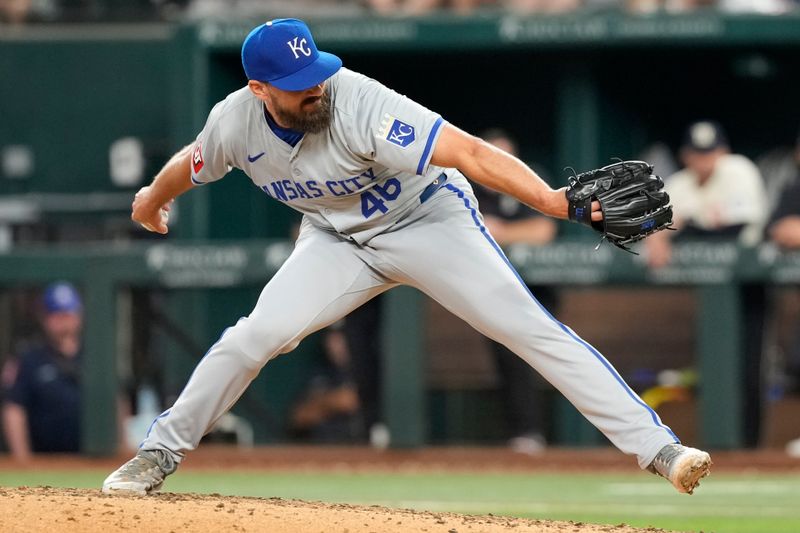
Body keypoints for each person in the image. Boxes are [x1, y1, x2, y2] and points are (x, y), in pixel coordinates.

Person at [102, 18, 711, 496]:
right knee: (254, 337)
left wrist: (552, 203)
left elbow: (469, 152)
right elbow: (195, 161)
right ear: (259, 89)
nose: (314, 85)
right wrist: (151, 199)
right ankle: (158, 452)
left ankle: (659, 449)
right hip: (336, 240)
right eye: (297, 83)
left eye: (316, 70)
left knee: (527, 327)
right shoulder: (235, 122)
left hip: (427, 221)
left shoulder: (360, 101)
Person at [2, 282, 84, 460]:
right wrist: (22, 460)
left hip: (92, 460)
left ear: (78, 315)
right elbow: (14, 409)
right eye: (56, 314)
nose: (63, 320)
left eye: (67, 313)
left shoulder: (95, 357)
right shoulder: (29, 358)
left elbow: (117, 402)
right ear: (44, 318)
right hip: (44, 459)